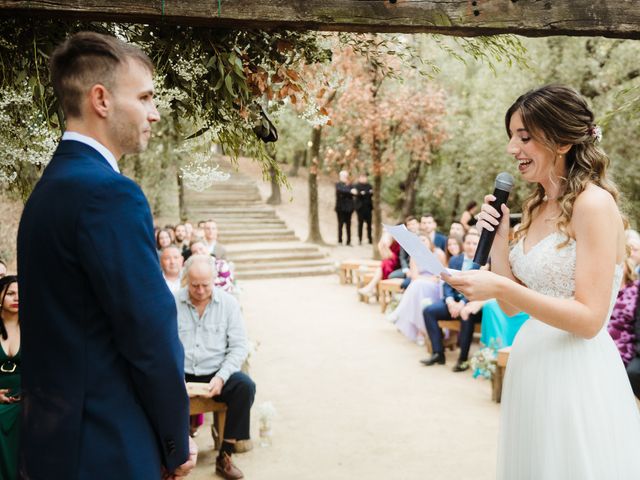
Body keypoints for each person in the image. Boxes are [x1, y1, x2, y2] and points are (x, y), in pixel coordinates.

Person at [17, 32, 196, 479]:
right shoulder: (109, 195)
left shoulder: (46, 193)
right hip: (106, 448)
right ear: (101, 99)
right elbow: (149, 336)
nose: (154, 113)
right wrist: (175, 440)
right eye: (145, 97)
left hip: (50, 446)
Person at [445, 84, 640, 478]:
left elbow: (588, 319)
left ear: (562, 142)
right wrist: (499, 244)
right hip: (531, 365)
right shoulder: (535, 205)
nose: (512, 149)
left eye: (525, 137)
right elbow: (513, 306)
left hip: (576, 373)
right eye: (511, 137)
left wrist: (501, 287)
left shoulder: (595, 204)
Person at [176, 255, 255, 480]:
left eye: (205, 285)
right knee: (156, 390)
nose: (200, 290)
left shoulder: (228, 304)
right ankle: (174, 456)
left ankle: (225, 455)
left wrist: (221, 377)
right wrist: (175, 376)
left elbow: (239, 347)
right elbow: (162, 345)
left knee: (245, 386)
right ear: (185, 280)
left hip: (215, 371)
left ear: (214, 280)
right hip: (181, 372)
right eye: (194, 285)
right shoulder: (172, 302)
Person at [421, 230, 481, 372]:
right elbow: (447, 283)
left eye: (475, 243)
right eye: (468, 243)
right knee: (428, 311)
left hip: (471, 304)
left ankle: (462, 359)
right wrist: (450, 302)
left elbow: (478, 288)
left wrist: (462, 304)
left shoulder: (483, 262)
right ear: (463, 244)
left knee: (467, 316)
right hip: (452, 302)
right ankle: (438, 353)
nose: (471, 246)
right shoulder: (455, 260)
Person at [390, 236, 444, 344]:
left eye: (424, 240)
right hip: (421, 284)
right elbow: (414, 276)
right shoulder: (414, 256)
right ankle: (420, 331)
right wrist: (428, 279)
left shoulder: (439, 254)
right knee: (418, 287)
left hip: (436, 286)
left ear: (430, 241)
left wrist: (431, 279)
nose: (422, 243)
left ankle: (399, 312)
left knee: (417, 285)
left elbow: (442, 274)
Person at [0, 276, 19, 480]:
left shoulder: (34, 327)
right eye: (11, 294)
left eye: (21, 294)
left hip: (26, 397)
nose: (17, 298)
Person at [357, 232, 400, 298]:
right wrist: (382, 247)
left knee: (382, 266)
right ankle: (371, 288)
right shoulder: (391, 243)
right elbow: (385, 257)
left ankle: (370, 288)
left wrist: (386, 248)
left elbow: (395, 258)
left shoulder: (399, 244)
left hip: (397, 265)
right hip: (388, 265)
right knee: (383, 265)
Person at [353, 173, 373, 245]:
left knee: (369, 224)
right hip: (360, 208)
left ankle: (370, 239)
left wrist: (363, 193)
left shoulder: (369, 186)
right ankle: (360, 239)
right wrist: (364, 193)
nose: (364, 179)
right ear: (359, 178)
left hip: (368, 207)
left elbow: (371, 193)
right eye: (362, 177)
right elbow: (357, 194)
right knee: (360, 224)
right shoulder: (357, 186)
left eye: (365, 177)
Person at [335, 170, 354, 245]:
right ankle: (340, 240)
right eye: (343, 176)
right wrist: (349, 192)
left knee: (348, 225)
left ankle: (348, 241)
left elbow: (353, 193)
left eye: (346, 176)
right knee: (340, 224)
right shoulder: (338, 184)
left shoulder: (350, 185)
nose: (345, 178)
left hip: (348, 209)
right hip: (340, 208)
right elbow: (341, 191)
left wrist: (348, 191)